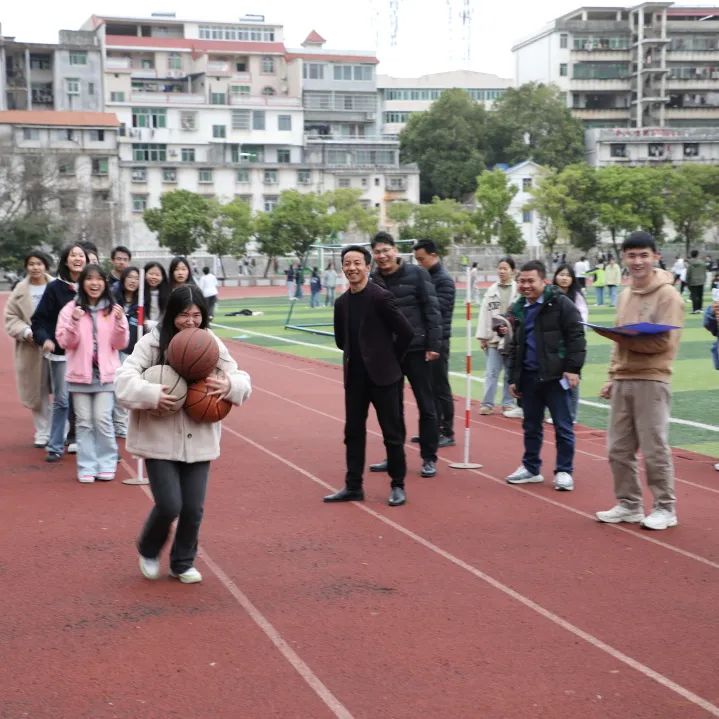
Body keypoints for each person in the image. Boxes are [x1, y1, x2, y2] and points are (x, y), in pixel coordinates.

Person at [115, 286, 251, 583]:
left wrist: (229, 386)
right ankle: (149, 549)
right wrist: (150, 393)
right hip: (158, 438)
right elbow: (123, 379)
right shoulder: (152, 343)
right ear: (171, 315)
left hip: (199, 437)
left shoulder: (210, 343)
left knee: (193, 508)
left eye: (196, 315)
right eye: (183, 315)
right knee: (169, 504)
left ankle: (182, 562)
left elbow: (241, 377)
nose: (190, 321)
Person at [595, 231, 685, 530]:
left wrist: (623, 340)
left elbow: (664, 344)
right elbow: (617, 342)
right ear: (623, 258)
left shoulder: (668, 295)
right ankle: (629, 503)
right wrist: (612, 375)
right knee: (617, 449)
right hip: (624, 378)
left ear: (655, 256)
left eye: (643, 255)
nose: (637, 261)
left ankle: (665, 507)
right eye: (631, 255)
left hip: (652, 378)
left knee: (654, 446)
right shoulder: (624, 294)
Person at [324, 246, 414, 506]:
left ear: (367, 266)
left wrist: (390, 359)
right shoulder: (341, 303)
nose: (351, 268)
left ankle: (398, 485)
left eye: (357, 263)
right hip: (355, 378)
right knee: (353, 432)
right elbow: (342, 341)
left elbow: (406, 333)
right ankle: (353, 486)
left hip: (385, 377)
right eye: (347, 263)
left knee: (392, 434)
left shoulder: (380, 297)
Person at [504, 260, 586, 492]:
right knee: (530, 425)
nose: (525, 285)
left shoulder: (561, 304)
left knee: (563, 426)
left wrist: (572, 369)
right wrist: (513, 378)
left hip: (555, 376)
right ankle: (531, 468)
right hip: (529, 377)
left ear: (543, 281)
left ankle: (564, 471)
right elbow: (515, 346)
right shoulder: (519, 308)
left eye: (531, 281)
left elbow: (577, 337)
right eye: (521, 281)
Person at [368, 231, 442, 478]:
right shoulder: (373, 279)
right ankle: (394, 456)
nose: (382, 255)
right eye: (377, 251)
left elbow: (432, 309)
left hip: (418, 349)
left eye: (386, 250)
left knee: (426, 404)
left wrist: (434, 344)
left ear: (395, 250)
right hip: (388, 353)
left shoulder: (418, 274)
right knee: (391, 407)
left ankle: (429, 457)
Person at [56, 265, 129, 483]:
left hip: (105, 375)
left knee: (103, 419)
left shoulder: (113, 310)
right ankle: (86, 466)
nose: (94, 283)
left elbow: (121, 343)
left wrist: (119, 323)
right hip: (80, 375)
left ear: (105, 283)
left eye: (99, 279)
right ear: (83, 283)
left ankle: (106, 462)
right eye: (89, 279)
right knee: (84, 422)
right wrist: (74, 322)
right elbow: (65, 342)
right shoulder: (70, 309)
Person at [31, 243, 88, 463]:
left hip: (87, 355)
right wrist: (45, 339)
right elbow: (39, 320)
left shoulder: (92, 285)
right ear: (65, 261)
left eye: (81, 255)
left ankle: (92, 443)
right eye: (73, 255)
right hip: (62, 353)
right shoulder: (55, 288)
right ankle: (55, 446)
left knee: (86, 401)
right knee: (62, 400)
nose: (77, 259)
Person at [4, 250, 53, 447]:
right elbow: (10, 318)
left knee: (62, 390)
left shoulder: (56, 286)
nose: (35, 267)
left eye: (39, 263)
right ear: (26, 267)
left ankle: (62, 429)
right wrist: (25, 331)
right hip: (31, 349)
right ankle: (42, 431)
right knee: (37, 391)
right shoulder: (19, 291)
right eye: (31, 264)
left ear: (45, 266)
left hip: (56, 346)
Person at [413, 239, 456, 447]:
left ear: (433, 255)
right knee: (427, 388)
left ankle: (447, 431)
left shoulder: (444, 280)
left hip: (439, 340)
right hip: (425, 340)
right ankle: (431, 429)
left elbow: (437, 310)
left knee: (439, 387)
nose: (419, 263)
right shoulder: (425, 276)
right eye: (417, 260)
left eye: (422, 259)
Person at [476, 257, 520, 417]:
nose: (501, 271)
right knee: (491, 372)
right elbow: (484, 314)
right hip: (494, 339)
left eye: (505, 268)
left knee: (510, 372)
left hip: (512, 339)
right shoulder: (491, 290)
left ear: (512, 271)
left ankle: (508, 403)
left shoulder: (518, 290)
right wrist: (483, 337)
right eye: (499, 268)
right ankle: (487, 403)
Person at [552, 263, 588, 424]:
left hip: (572, 343)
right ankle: (558, 413)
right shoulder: (550, 294)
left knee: (572, 378)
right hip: (554, 344)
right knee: (555, 379)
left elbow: (582, 321)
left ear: (573, 279)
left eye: (568, 275)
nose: (564, 278)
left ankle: (571, 415)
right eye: (561, 274)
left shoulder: (577, 297)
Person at [112, 266, 141, 438]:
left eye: (136, 278)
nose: (133, 281)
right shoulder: (114, 299)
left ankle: (126, 423)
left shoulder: (142, 301)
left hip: (134, 350)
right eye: (129, 277)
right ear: (123, 280)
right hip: (116, 349)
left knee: (131, 387)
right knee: (117, 386)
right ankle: (119, 424)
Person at [143, 262, 170, 332]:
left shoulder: (168, 293)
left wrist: (156, 325)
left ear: (162, 277)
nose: (154, 277)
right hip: (142, 330)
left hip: (161, 331)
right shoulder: (139, 293)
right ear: (144, 274)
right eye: (151, 274)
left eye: (157, 275)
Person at [686, 249, 707, 314]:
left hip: (693, 281)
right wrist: (704, 279)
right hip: (701, 280)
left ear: (691, 255)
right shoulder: (702, 263)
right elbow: (704, 272)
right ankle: (700, 308)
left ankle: (695, 309)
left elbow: (688, 273)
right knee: (700, 295)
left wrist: (687, 281)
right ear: (697, 255)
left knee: (694, 296)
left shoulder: (690, 263)